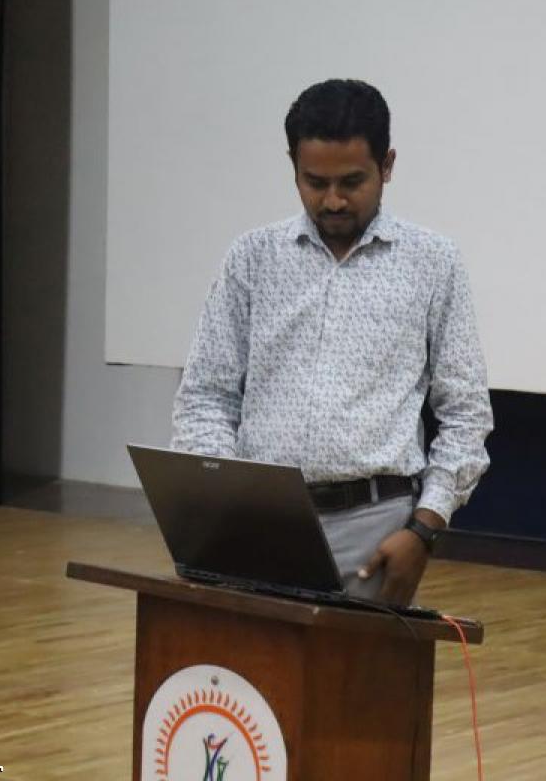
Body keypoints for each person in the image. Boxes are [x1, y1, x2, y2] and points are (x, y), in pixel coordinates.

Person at [171, 79, 493, 605]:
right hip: (257, 520)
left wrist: (424, 529)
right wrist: (223, 503)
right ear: (293, 166)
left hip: (376, 527)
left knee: (357, 663)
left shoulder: (433, 263)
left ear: (387, 165)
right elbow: (206, 394)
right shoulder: (253, 258)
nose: (333, 200)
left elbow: (465, 414)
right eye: (314, 182)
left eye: (352, 181)